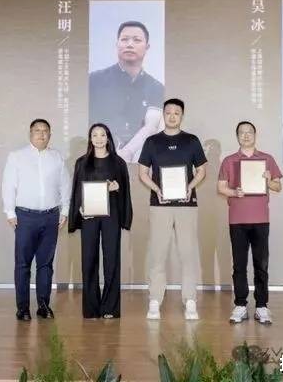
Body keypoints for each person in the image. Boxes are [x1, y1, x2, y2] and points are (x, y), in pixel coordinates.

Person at [138, 98, 207, 320]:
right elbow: (142, 173)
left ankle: (190, 300)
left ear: (182, 116)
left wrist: (190, 187)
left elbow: (202, 171)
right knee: (157, 253)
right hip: (160, 204)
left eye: (177, 113)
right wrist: (157, 189)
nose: (172, 116)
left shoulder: (191, 141)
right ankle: (155, 300)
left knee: (188, 253)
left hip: (187, 204)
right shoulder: (152, 141)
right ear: (163, 115)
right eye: (168, 112)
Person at [1, 119, 71, 321]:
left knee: (46, 264)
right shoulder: (17, 157)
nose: (41, 134)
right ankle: (23, 308)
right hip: (25, 217)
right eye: (37, 130)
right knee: (23, 264)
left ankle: (43, 305)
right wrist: (10, 212)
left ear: (50, 134)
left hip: (51, 217)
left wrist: (65, 211)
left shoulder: (57, 157)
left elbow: (65, 185)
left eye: (45, 131)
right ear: (30, 134)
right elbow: (8, 185)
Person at [217, 121, 282, 325]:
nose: (246, 135)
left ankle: (262, 306)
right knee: (239, 265)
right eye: (242, 133)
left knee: (261, 265)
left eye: (249, 132)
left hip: (261, 219)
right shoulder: (229, 160)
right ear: (237, 136)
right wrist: (233, 192)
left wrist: (268, 180)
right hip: (237, 220)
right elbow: (221, 188)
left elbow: (278, 186)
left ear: (255, 135)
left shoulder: (267, 159)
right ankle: (240, 305)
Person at [68, 124, 133, 319]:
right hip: (89, 216)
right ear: (90, 139)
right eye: (94, 135)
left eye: (102, 135)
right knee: (89, 259)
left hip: (111, 215)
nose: (98, 138)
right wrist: (79, 209)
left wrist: (116, 188)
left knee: (112, 259)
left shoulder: (118, 162)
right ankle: (91, 308)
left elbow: (125, 190)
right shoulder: (82, 162)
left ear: (108, 138)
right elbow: (77, 190)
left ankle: (110, 308)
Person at [89, 21, 165, 163]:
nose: (130, 44)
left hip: (140, 162)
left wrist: (128, 152)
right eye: (124, 39)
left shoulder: (157, 88)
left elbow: (152, 126)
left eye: (137, 40)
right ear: (117, 44)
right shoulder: (94, 81)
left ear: (147, 47)